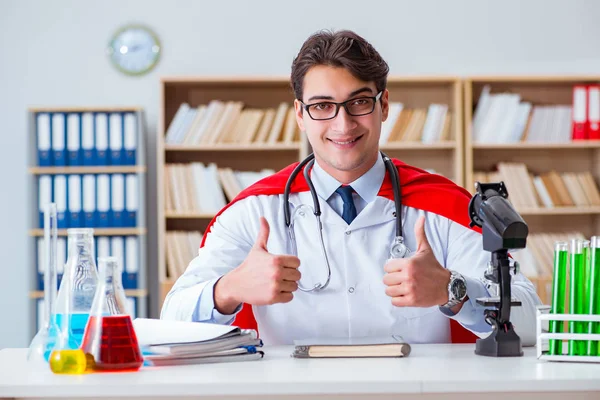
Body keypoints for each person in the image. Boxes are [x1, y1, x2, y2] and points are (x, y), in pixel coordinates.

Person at [160, 29, 542, 346]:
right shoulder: (252, 211)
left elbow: (528, 320)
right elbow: (172, 318)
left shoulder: (443, 207)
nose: (343, 125)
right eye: (323, 106)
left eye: (358, 102)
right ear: (299, 114)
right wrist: (228, 289)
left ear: (384, 105)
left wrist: (452, 289)